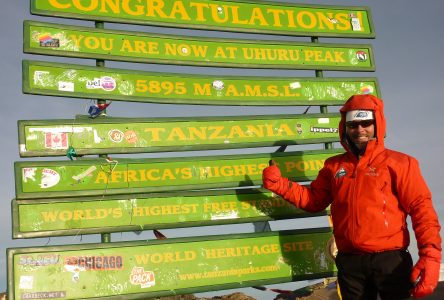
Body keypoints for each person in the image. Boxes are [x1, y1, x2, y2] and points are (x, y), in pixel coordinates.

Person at [262, 94, 441, 299]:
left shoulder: (400, 163)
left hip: (390, 261)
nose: (359, 130)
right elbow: (313, 200)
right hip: (350, 263)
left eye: (366, 123)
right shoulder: (333, 166)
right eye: (353, 125)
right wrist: (280, 185)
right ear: (345, 128)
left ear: (377, 124)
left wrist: (431, 255)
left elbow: (421, 209)